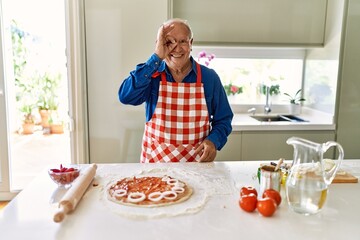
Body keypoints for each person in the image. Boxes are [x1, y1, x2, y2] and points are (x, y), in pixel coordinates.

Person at [118, 18, 233, 163]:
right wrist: (156, 57)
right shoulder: (151, 75)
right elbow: (125, 97)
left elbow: (224, 119)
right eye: (169, 42)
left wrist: (213, 141)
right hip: (156, 165)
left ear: (191, 43)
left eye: (183, 41)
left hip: (197, 166)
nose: (177, 49)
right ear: (160, 45)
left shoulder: (210, 78)